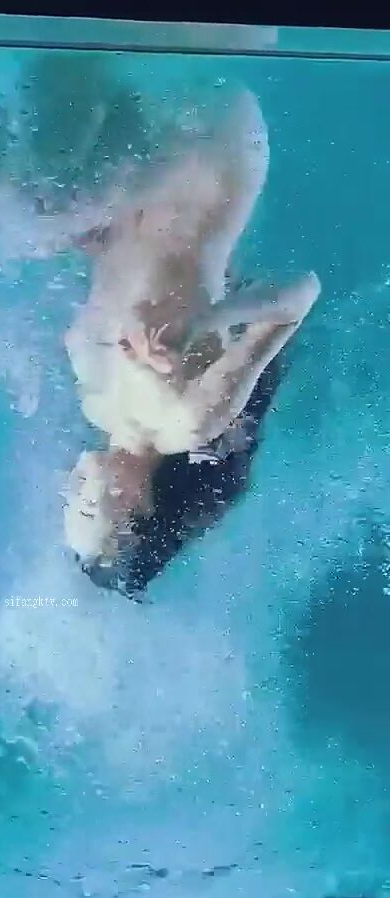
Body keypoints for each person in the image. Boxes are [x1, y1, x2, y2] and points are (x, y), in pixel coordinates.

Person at [61, 89, 321, 576]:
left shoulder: (96, 407)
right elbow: (301, 296)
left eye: (66, 502)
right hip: (210, 152)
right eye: (87, 508)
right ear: (137, 506)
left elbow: (125, 274)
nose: (69, 490)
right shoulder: (188, 422)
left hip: (140, 177)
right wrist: (205, 319)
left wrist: (94, 241)